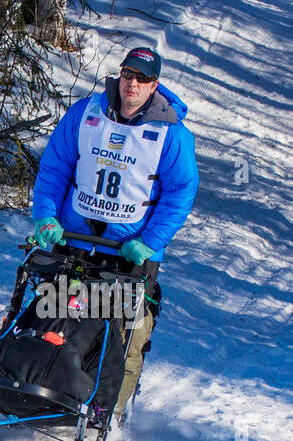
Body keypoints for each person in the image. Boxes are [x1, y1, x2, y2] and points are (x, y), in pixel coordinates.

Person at [31, 46, 199, 420]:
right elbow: (55, 168)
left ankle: (112, 412)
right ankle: (42, 385)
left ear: (155, 85)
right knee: (55, 312)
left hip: (130, 252)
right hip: (73, 240)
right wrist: (46, 217)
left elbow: (180, 193)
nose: (132, 84)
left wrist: (150, 242)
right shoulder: (85, 112)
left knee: (126, 334)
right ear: (119, 76)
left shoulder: (171, 133)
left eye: (142, 78)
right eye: (127, 75)